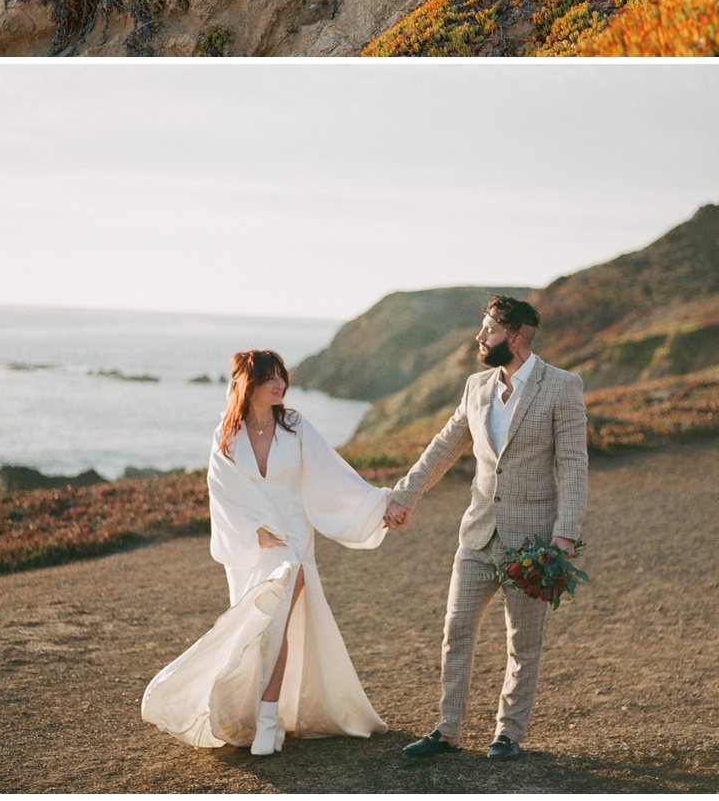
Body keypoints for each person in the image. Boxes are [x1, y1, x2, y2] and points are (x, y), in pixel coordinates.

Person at [141, 350, 395, 757]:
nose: (280, 383)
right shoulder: (227, 434)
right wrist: (253, 530)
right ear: (249, 385)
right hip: (252, 547)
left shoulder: (295, 427)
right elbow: (221, 493)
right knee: (259, 632)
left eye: (282, 376)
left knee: (274, 627)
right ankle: (249, 712)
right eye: (270, 378)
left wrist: (381, 505)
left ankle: (268, 721)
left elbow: (333, 473)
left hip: (293, 543)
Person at [384, 296, 588, 762]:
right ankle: (449, 730)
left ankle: (508, 735)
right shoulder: (476, 386)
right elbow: (444, 447)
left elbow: (574, 465)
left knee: (524, 644)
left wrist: (566, 534)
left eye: (489, 331)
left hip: (532, 543)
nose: (479, 338)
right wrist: (404, 494)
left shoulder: (562, 387)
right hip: (477, 536)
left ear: (514, 338)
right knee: (456, 630)